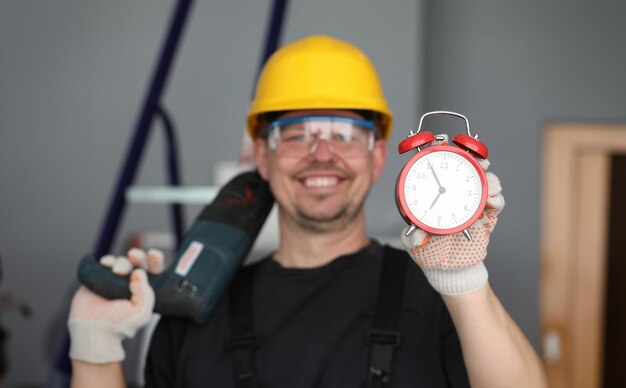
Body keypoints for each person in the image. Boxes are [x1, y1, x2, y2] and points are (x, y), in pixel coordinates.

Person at [68, 35, 547, 387]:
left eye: (345, 133)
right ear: (262, 157)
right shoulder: (192, 313)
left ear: (379, 157)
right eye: (296, 133)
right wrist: (95, 349)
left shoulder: (439, 299)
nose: (321, 154)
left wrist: (464, 281)